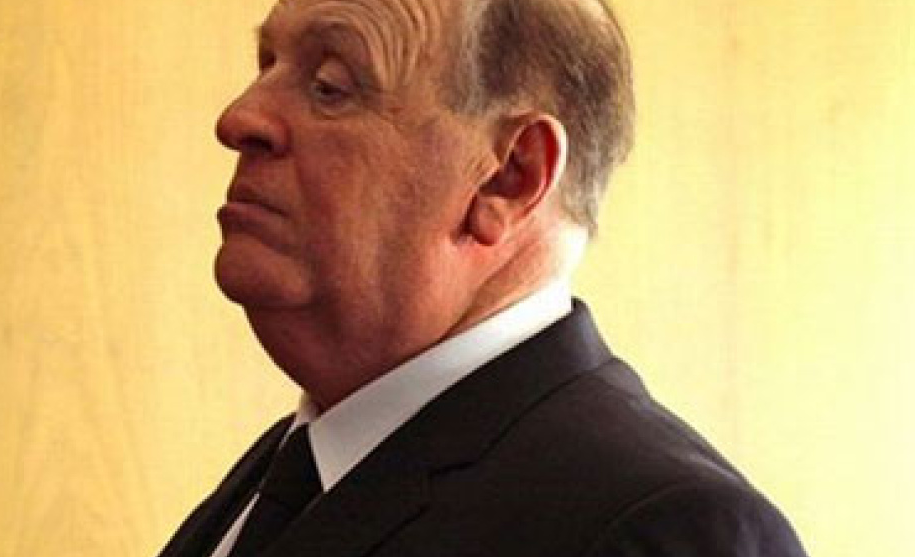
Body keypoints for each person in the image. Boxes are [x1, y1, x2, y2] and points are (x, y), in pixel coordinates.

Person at [159, 0, 808, 555]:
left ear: (509, 176)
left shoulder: (666, 528)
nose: (239, 118)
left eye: (331, 86)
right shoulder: (294, 469)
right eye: (266, 65)